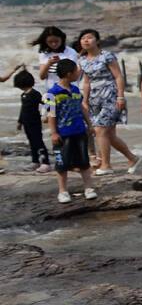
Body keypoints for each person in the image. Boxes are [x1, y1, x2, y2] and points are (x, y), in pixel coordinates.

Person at [76, 29, 140, 175]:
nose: (86, 40)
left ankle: (106, 165)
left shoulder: (107, 56)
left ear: (97, 40)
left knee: (99, 130)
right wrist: (85, 101)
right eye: (83, 38)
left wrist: (121, 96)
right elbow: (86, 82)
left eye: (89, 38)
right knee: (109, 135)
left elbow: (118, 76)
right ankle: (133, 158)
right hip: (94, 99)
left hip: (110, 96)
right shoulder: (83, 60)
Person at [46, 59, 97, 204]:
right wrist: (54, 133)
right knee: (62, 163)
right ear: (69, 74)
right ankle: (62, 191)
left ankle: (89, 188)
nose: (79, 72)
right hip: (63, 134)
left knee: (84, 161)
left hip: (79, 131)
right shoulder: (52, 93)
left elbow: (81, 108)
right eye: (76, 70)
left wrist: (89, 124)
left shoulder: (75, 89)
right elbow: (51, 114)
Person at [33, 26, 79, 111]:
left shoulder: (70, 52)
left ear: (62, 39)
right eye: (50, 42)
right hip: (52, 90)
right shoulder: (44, 54)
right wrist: (48, 64)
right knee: (52, 115)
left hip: (70, 89)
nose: (54, 44)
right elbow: (42, 76)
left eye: (56, 41)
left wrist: (61, 63)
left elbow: (74, 73)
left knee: (72, 116)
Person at [14, 69, 51, 172]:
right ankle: (35, 161)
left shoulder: (35, 94)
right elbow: (23, 110)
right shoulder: (23, 95)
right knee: (31, 143)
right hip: (27, 123)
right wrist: (20, 122)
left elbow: (45, 104)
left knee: (38, 142)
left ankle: (45, 162)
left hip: (35, 123)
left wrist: (47, 114)